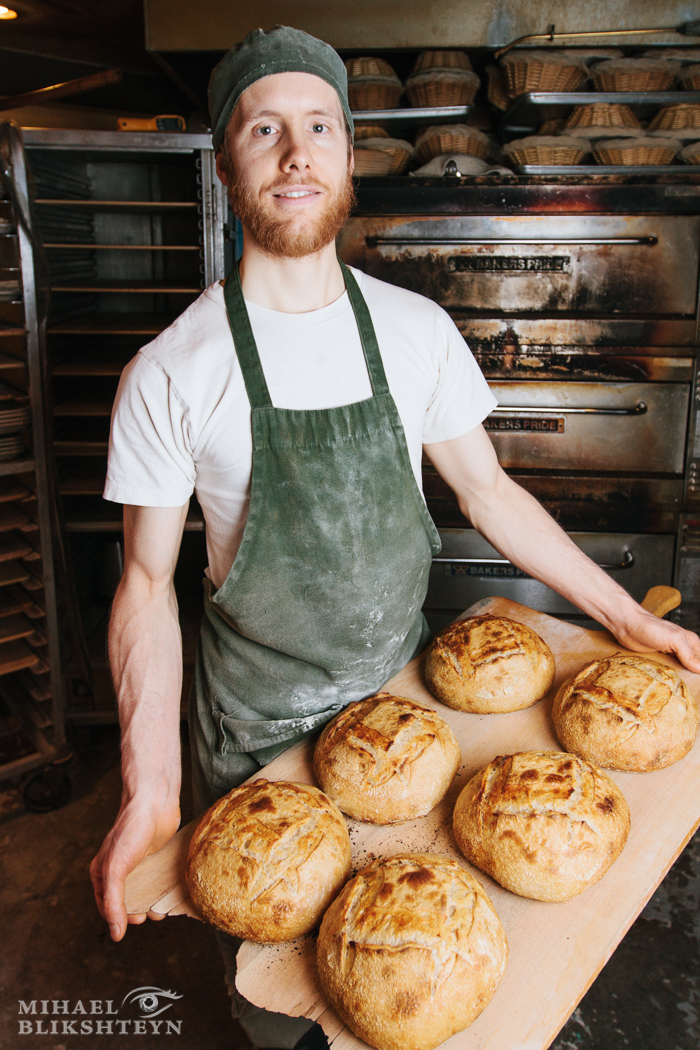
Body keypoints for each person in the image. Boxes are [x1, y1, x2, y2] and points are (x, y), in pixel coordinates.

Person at [90, 24, 700, 1050]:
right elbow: (145, 587)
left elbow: (489, 493)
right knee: (285, 995)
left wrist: (621, 616)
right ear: (228, 161)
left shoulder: (413, 331)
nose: (296, 152)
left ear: (343, 151)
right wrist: (148, 782)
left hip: (402, 707)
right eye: (264, 129)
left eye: (318, 125)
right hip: (259, 746)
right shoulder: (172, 372)